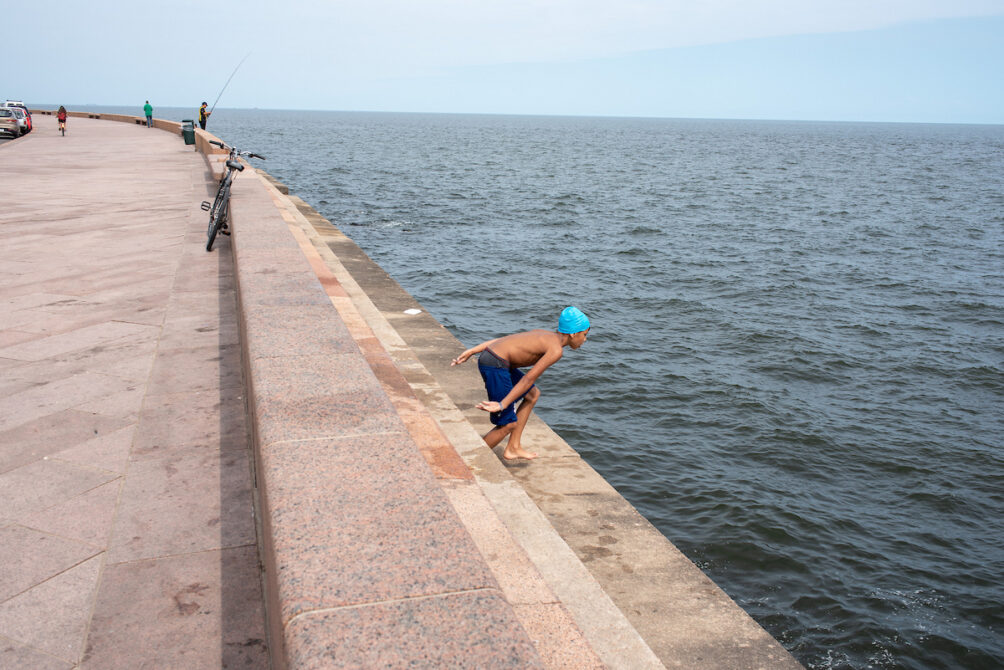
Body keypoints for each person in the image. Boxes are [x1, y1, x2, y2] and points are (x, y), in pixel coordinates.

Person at [451, 306, 590, 461]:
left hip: (494, 358)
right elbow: (528, 379)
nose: (584, 339)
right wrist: (502, 405)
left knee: (532, 395)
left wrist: (472, 350)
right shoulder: (556, 350)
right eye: (584, 335)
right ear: (573, 333)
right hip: (495, 364)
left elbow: (502, 341)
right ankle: (466, 462)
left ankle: (513, 447)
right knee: (507, 424)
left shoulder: (543, 333)